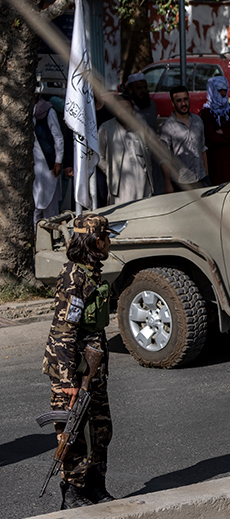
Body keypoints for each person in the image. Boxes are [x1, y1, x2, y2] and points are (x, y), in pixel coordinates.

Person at [42, 214, 117, 509]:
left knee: (101, 428)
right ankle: (72, 492)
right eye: (107, 237)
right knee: (72, 434)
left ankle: (95, 485)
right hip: (72, 372)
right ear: (96, 241)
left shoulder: (90, 271)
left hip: (92, 370)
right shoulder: (75, 276)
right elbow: (63, 332)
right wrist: (67, 382)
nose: (109, 242)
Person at [97, 94, 154, 205]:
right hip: (119, 188)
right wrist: (110, 170)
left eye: (127, 108)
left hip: (142, 185)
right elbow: (99, 156)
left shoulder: (142, 127)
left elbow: (149, 152)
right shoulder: (106, 128)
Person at [159, 86, 209, 192]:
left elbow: (203, 149)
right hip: (181, 182)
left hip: (201, 178)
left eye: (186, 99)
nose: (183, 104)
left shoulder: (197, 120)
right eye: (179, 101)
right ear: (173, 103)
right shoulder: (167, 127)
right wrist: (167, 183)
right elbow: (164, 158)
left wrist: (206, 175)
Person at [200, 76, 230, 185]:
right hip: (217, 164)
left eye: (224, 90)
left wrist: (224, 131)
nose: (222, 93)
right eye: (219, 90)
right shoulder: (206, 114)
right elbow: (212, 137)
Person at [33, 92, 64, 225]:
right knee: (33, 207)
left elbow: (58, 138)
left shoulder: (47, 111)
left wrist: (58, 161)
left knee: (50, 207)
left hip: (48, 166)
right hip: (33, 167)